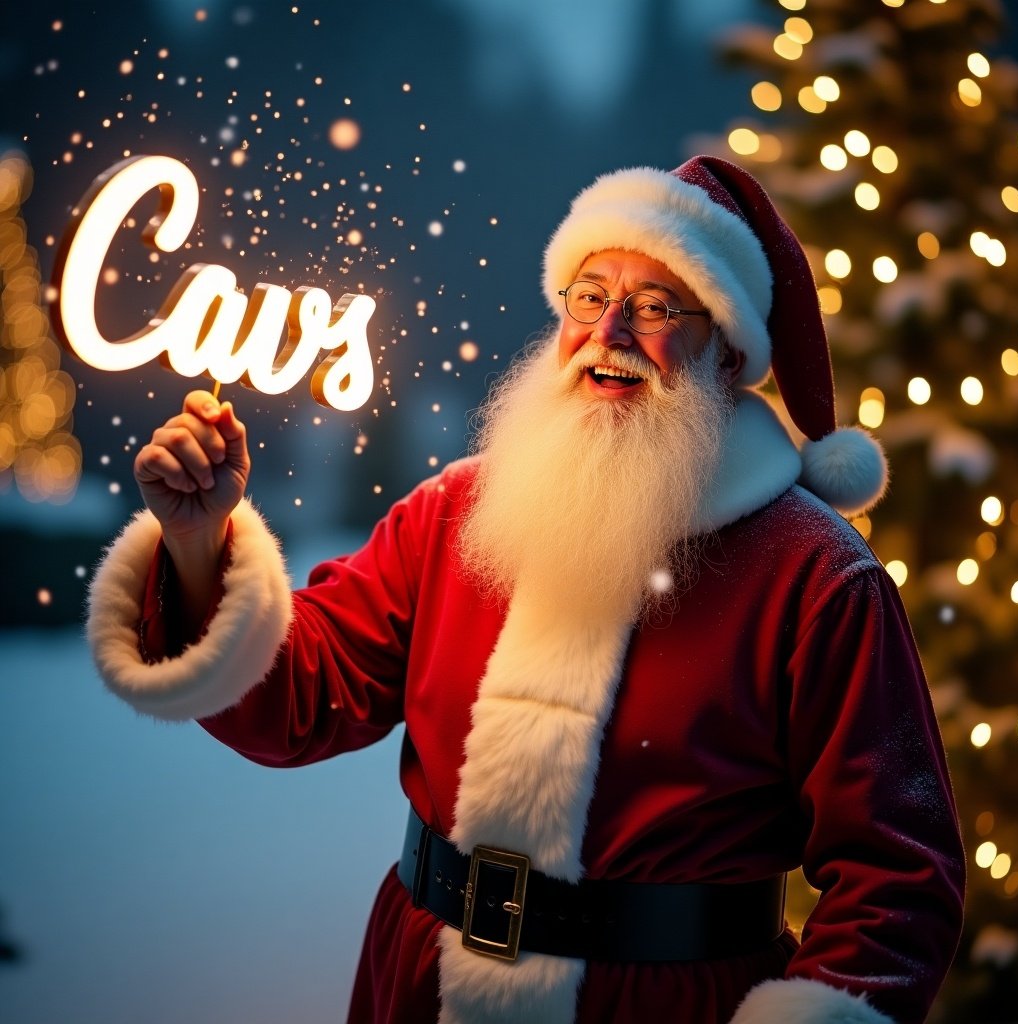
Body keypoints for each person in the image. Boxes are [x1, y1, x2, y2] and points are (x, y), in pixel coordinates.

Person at [87, 155, 965, 1024]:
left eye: (658, 307)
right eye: (591, 294)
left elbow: (900, 879)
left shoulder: (813, 576)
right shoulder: (455, 513)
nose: (611, 329)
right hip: (421, 987)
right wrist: (200, 543)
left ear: (729, 353)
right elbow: (294, 701)